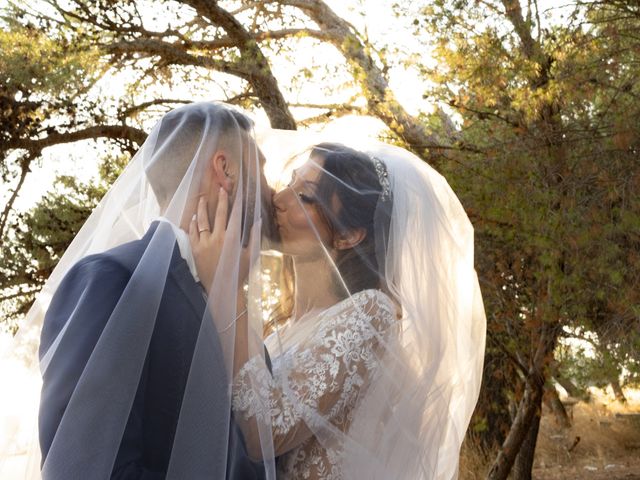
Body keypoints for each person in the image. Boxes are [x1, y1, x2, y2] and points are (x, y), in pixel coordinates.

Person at [190, 142, 487, 479]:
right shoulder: (283, 325)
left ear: (348, 235)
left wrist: (224, 287)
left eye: (304, 196)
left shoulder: (371, 313)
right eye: (289, 182)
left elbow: (266, 434)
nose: (278, 198)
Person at [24, 101, 277, 479]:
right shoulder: (112, 281)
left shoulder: (239, 316)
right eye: (262, 169)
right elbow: (83, 467)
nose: (273, 192)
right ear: (225, 169)